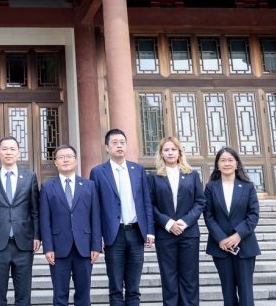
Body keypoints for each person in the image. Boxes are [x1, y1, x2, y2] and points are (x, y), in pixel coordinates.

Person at [89, 128, 154, 306]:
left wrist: (149, 231)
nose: (119, 146)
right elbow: (95, 208)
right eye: (115, 143)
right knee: (116, 288)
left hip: (136, 233)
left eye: (122, 143)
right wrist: (98, 237)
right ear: (107, 147)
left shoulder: (138, 170)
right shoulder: (98, 172)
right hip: (113, 235)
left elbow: (146, 202)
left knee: (134, 288)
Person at [0, 136, 40, 306]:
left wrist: (37, 236)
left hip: (24, 242)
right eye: (5, 149)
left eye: (12, 149)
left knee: (23, 294)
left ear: (18, 153)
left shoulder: (29, 177)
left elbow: (35, 210)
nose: (8, 152)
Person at [39, 145, 102, 306]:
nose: (65, 160)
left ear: (76, 160)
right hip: (58, 248)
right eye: (61, 157)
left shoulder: (89, 185)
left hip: (84, 247)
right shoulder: (47, 187)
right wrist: (48, 248)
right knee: (60, 294)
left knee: (83, 294)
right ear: (55, 163)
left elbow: (95, 217)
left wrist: (96, 246)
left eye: (69, 156)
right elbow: (45, 220)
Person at [148, 137, 205, 306]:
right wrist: (168, 223)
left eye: (173, 149)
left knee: (190, 279)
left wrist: (184, 222)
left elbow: (200, 202)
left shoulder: (192, 175)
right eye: (166, 150)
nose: (170, 153)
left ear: (180, 152)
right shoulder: (153, 177)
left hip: (189, 234)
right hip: (165, 234)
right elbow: (149, 205)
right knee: (169, 279)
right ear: (161, 154)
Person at [204, 147, 260, 306]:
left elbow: (253, 214)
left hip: (245, 245)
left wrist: (238, 235)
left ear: (237, 164)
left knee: (246, 293)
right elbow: (208, 215)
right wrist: (221, 238)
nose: (226, 163)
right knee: (228, 293)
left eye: (230, 160)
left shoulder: (248, 186)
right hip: (220, 247)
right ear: (217, 165)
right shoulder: (211, 187)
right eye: (223, 160)